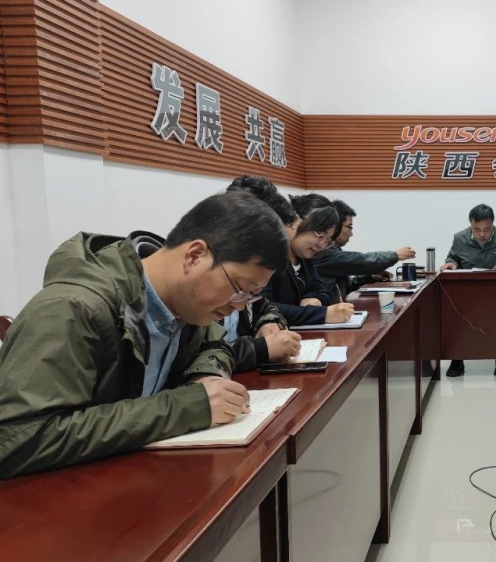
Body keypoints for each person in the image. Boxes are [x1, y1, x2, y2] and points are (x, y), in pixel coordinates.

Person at [0, 191, 288, 479]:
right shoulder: (73, 309)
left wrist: (204, 375)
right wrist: (187, 406)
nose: (239, 305)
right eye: (239, 288)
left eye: (250, 295)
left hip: (134, 480)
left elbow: (215, 343)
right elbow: (17, 439)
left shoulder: (187, 306)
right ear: (194, 256)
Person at [224, 176, 304, 371]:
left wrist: (268, 323)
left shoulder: (246, 274)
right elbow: (199, 359)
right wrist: (260, 349)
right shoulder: (200, 282)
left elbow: (264, 307)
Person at [440, 204, 496, 377]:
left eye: (486, 229)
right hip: (467, 291)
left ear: (492, 224)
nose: (481, 234)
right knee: (454, 315)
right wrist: (452, 264)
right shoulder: (460, 238)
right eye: (477, 229)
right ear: (470, 224)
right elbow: (452, 258)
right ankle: (457, 359)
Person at [262, 195, 354, 327]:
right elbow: (264, 306)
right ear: (296, 220)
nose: (321, 245)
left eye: (328, 241)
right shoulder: (269, 254)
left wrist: (314, 298)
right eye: (320, 235)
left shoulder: (305, 257)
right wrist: (322, 314)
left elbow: (323, 291)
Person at [312, 198, 417, 297]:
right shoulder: (322, 252)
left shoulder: (333, 249)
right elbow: (357, 260)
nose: (351, 233)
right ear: (336, 225)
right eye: (349, 227)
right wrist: (395, 255)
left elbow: (345, 287)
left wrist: (368, 278)